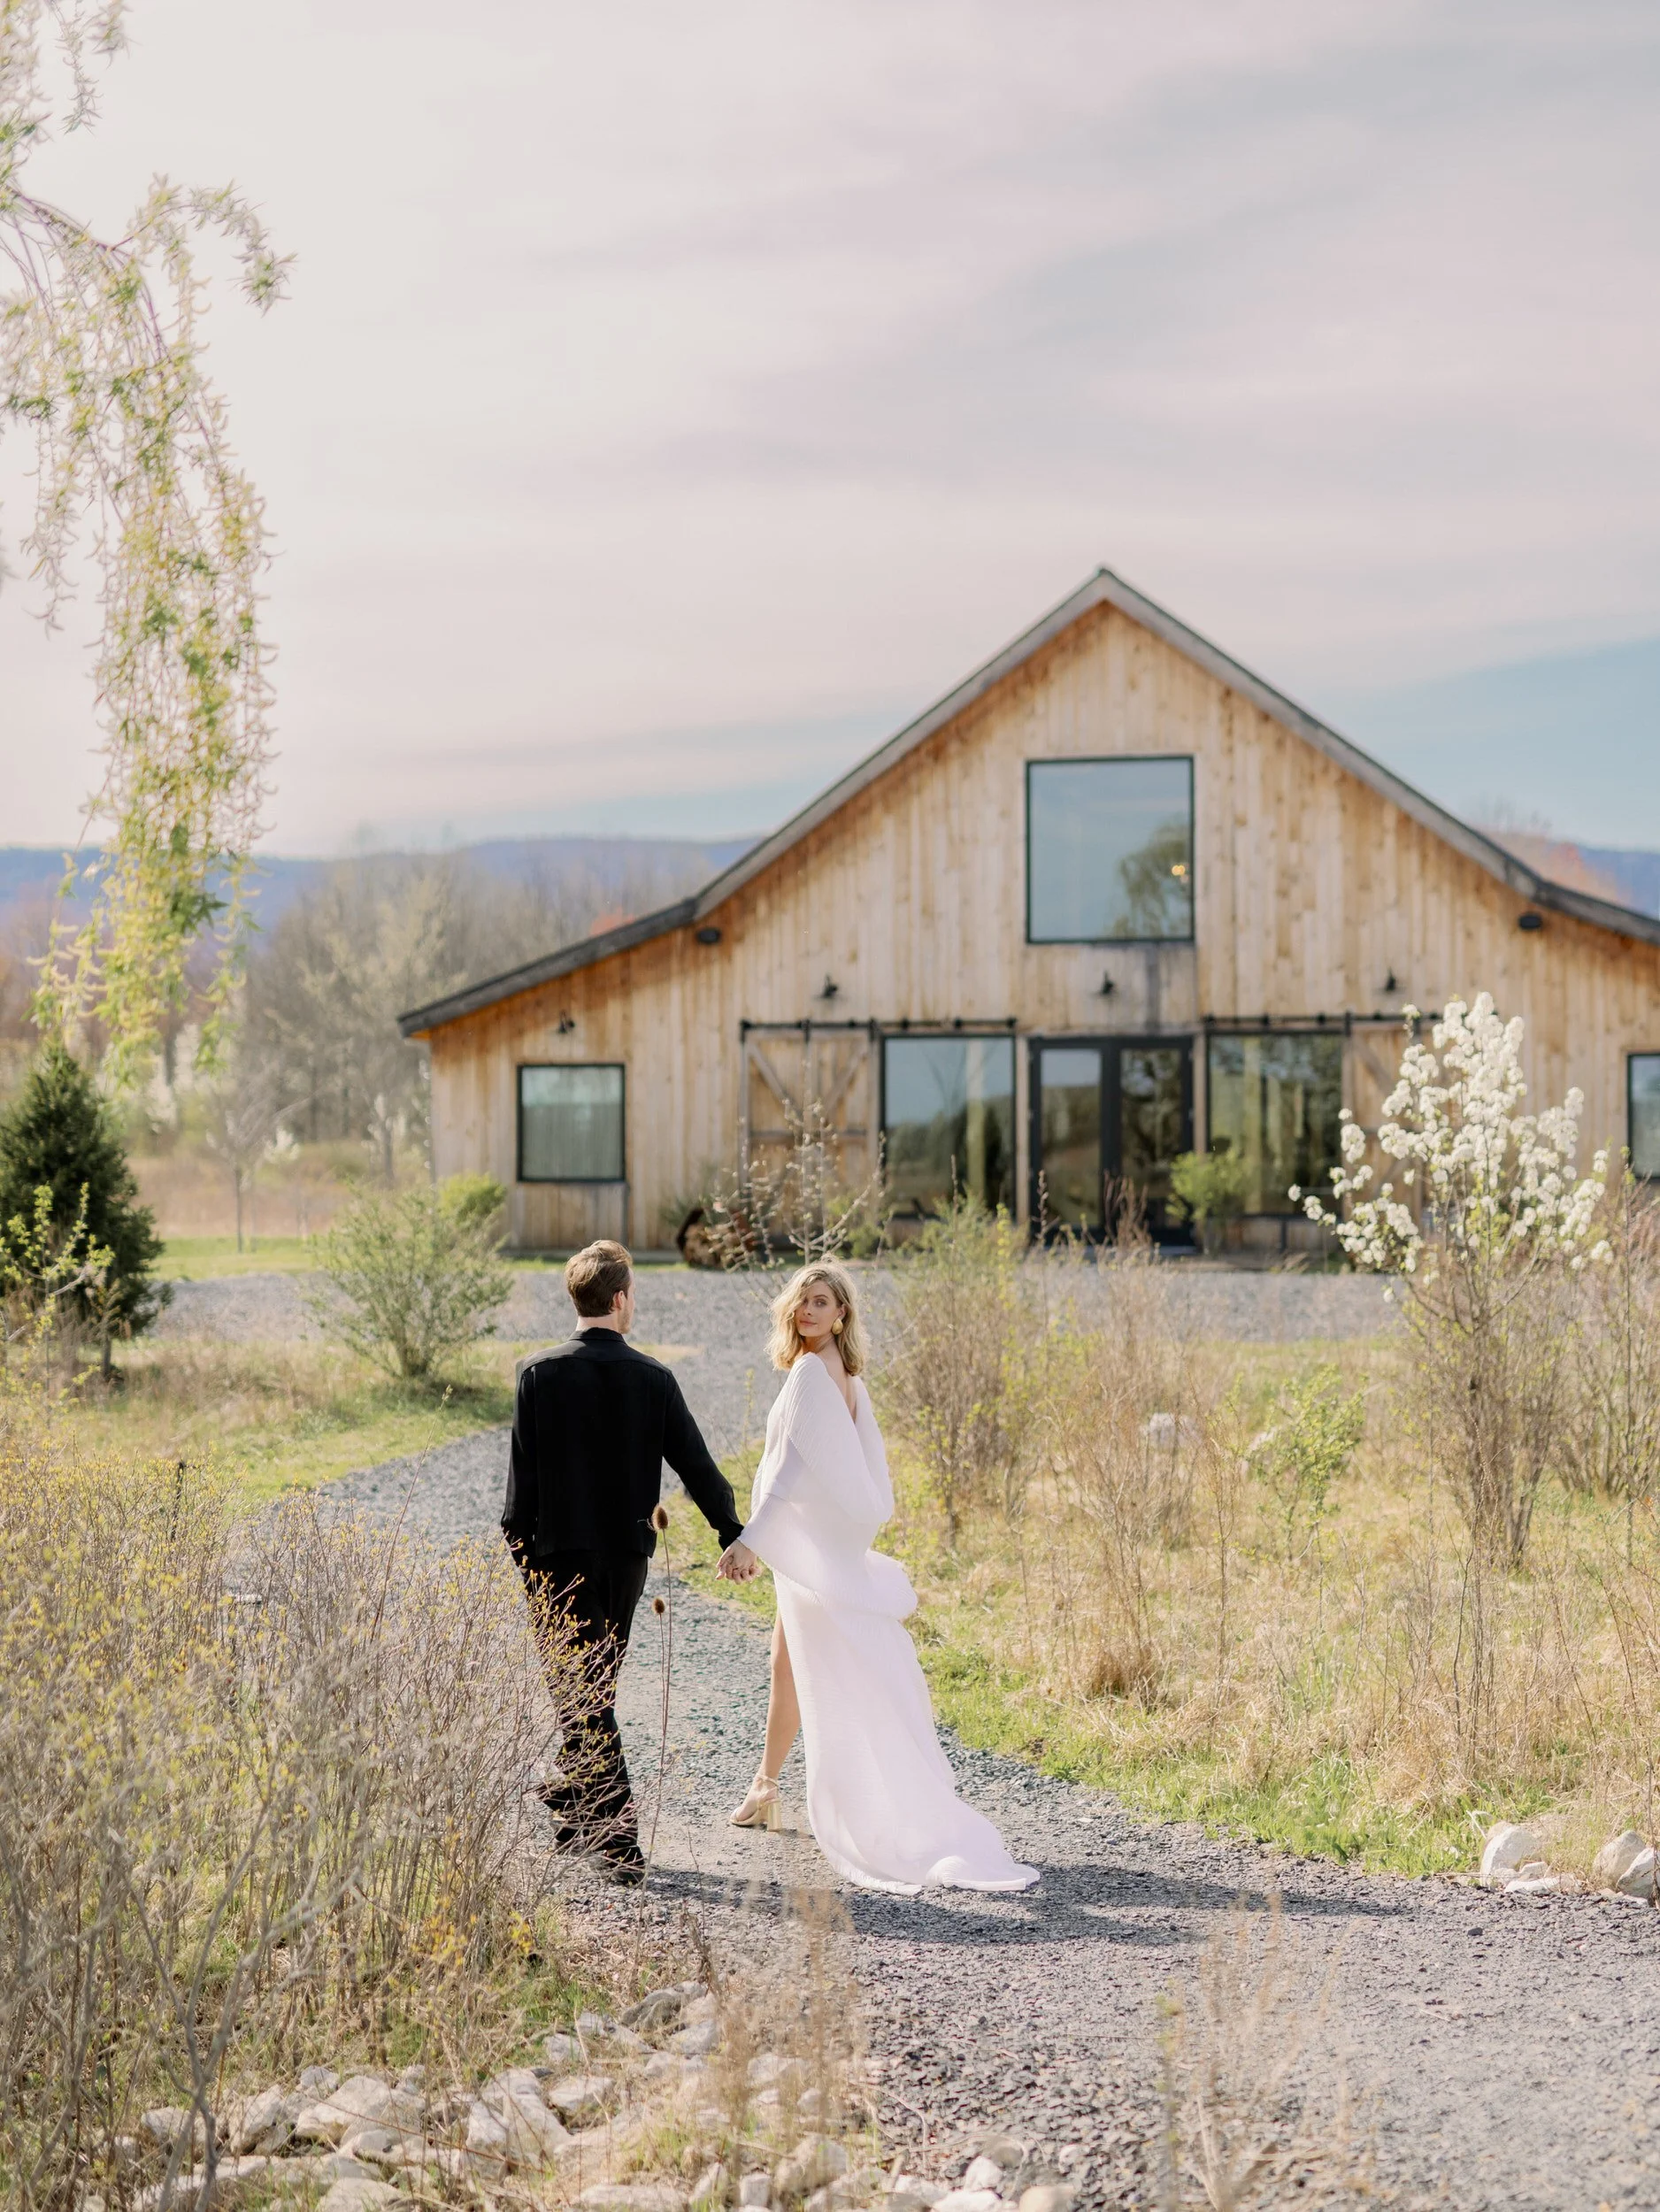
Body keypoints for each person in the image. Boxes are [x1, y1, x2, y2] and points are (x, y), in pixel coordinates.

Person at [717, 1261, 1039, 1895]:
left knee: (816, 1672)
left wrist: (749, 1540)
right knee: (786, 1663)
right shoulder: (846, 1379)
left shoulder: (813, 1374)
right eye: (801, 1301)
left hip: (812, 1554)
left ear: (842, 1315)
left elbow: (786, 1470)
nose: (807, 1311)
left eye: (821, 1302)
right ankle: (765, 1786)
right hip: (818, 1551)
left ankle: (848, 1799)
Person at [504, 1238, 744, 1884]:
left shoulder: (537, 1374)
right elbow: (698, 1468)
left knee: (584, 1694)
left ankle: (614, 1842)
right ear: (619, 1299)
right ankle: (581, 1813)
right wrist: (731, 1532)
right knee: (592, 1692)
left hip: (557, 1562)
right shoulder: (653, 1379)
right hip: (628, 1561)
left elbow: (517, 1500)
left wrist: (529, 1568)